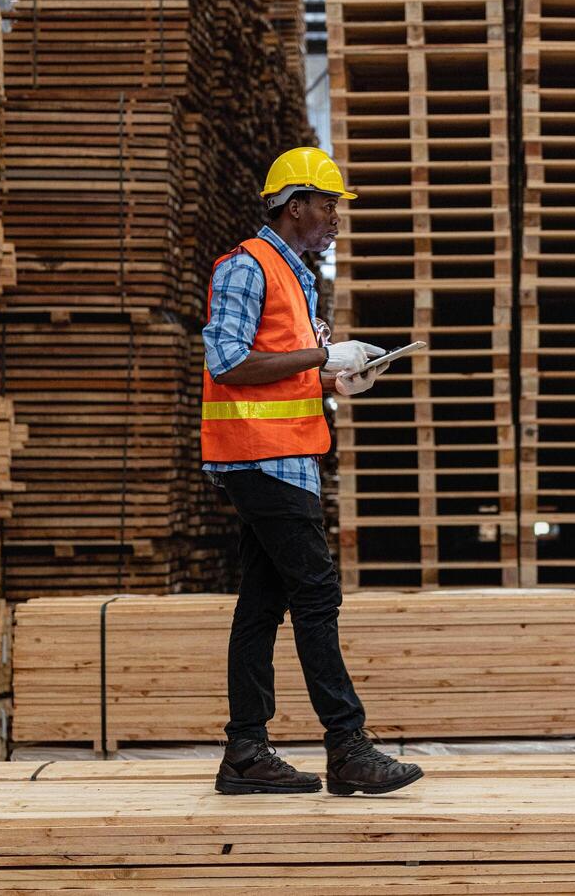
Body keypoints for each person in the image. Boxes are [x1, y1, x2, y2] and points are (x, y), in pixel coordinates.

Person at [200, 146, 423, 796]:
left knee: (264, 603)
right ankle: (347, 747)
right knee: (317, 594)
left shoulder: (294, 276)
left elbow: (287, 365)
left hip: (286, 455)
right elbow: (227, 362)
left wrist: (338, 375)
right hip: (261, 455)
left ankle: (245, 752)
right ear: (294, 205)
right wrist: (317, 357)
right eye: (328, 205)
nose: (335, 218)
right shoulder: (248, 267)